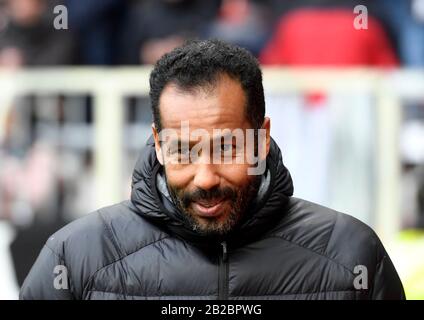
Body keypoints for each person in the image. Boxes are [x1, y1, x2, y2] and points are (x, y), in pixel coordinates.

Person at [20, 40, 405, 300]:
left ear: (262, 136)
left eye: (227, 148)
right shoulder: (74, 258)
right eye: (184, 152)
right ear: (158, 143)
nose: (205, 178)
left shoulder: (352, 254)